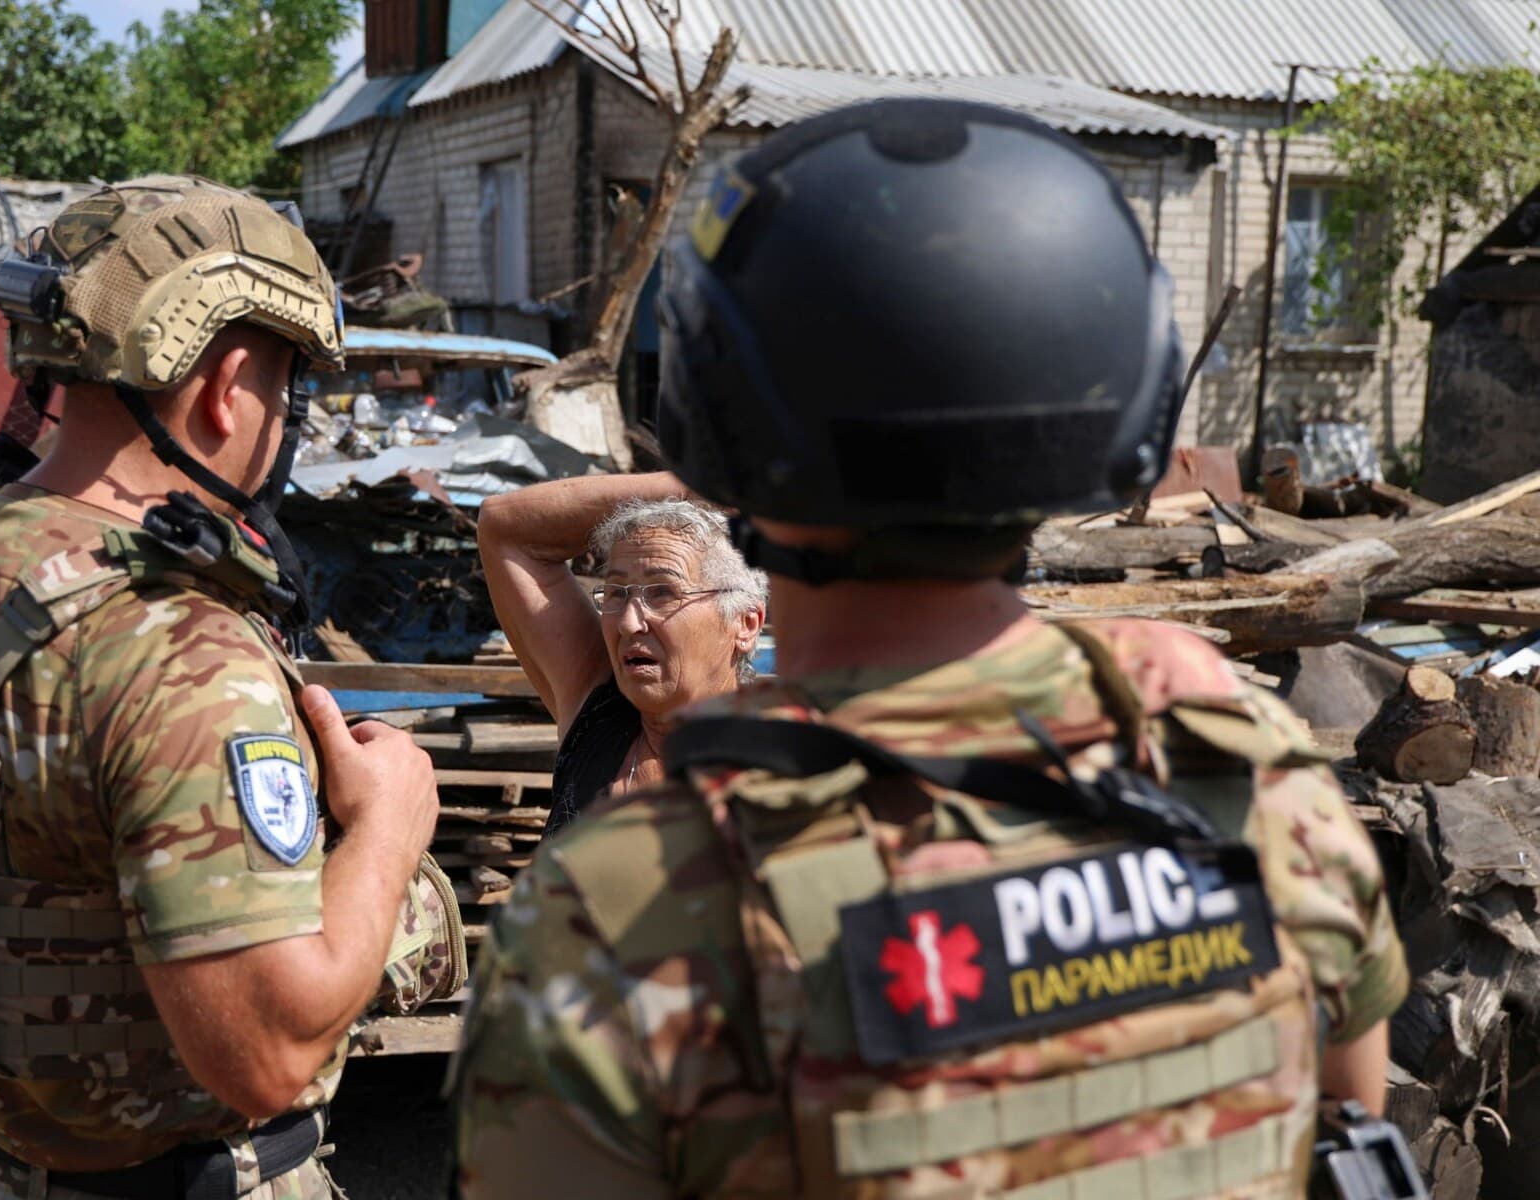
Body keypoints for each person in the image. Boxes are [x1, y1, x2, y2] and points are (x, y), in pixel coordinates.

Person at [451, 100, 1406, 1198]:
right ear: (1121, 418)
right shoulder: (1251, 778)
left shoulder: (629, 905)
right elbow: (1345, 1136)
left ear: (722, 434)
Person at [0, 177, 464, 1200]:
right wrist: (389, 825)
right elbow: (261, 1052)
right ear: (227, 383)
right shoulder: (175, 648)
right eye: (286, 389)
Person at [478, 476, 765, 834]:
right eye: (616, 593)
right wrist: (700, 487)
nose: (629, 623)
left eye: (663, 593)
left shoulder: (783, 767)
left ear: (745, 623)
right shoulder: (599, 716)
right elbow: (502, 526)